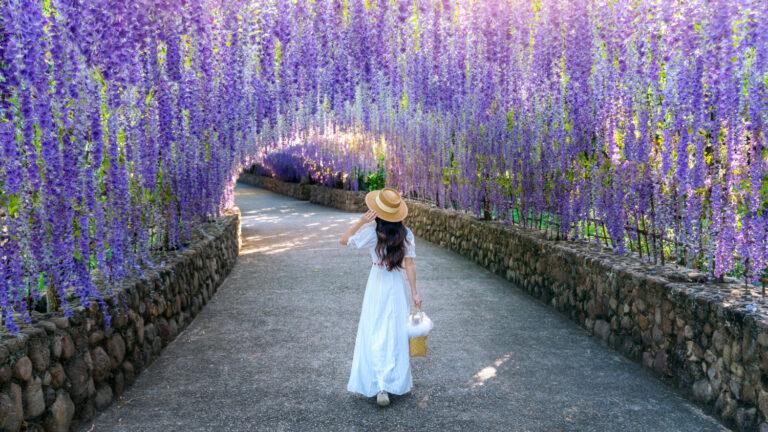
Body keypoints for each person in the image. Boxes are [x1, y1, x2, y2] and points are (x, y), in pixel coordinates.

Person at [340, 187, 422, 407]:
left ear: (377, 211)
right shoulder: (406, 234)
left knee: (375, 330)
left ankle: (380, 384)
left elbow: (343, 239)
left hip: (377, 283)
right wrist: (414, 292)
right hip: (396, 285)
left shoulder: (370, 231)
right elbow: (410, 264)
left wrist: (360, 221)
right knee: (393, 332)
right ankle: (388, 383)